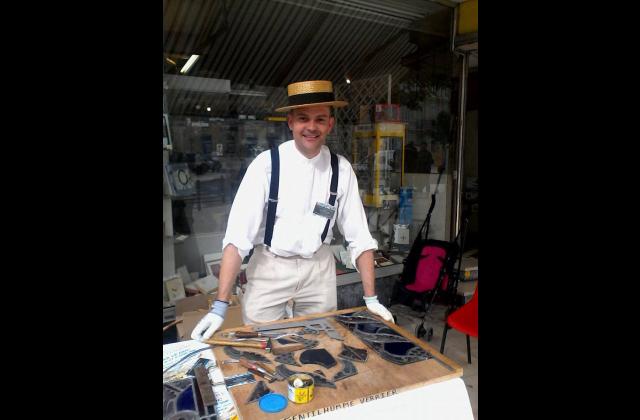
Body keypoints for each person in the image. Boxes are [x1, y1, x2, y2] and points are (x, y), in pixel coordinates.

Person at [191, 80, 394, 341]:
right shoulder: (266, 166)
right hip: (270, 267)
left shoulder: (341, 169)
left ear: (330, 124)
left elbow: (360, 237)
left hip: (318, 269)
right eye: (303, 118)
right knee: (264, 343)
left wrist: (371, 298)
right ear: (290, 122)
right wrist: (220, 306)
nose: (312, 127)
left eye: (320, 119)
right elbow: (237, 239)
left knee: (319, 344)